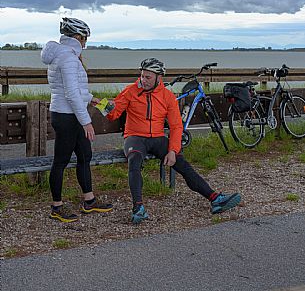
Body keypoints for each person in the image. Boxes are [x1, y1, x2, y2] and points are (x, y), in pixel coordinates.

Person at [107, 57, 241, 224]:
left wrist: (173, 150)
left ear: (158, 78)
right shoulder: (130, 91)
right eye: (142, 76)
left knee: (182, 163)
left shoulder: (167, 96)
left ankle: (215, 199)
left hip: (157, 138)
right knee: (134, 161)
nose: (143, 80)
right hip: (135, 137)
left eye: (148, 77)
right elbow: (113, 113)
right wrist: (102, 105)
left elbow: (177, 126)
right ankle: (138, 208)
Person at [41, 17, 113, 222]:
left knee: (84, 156)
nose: (85, 43)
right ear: (78, 37)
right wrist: (86, 121)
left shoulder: (65, 55)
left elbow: (75, 90)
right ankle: (56, 207)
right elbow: (71, 94)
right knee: (61, 161)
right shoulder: (69, 58)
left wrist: (93, 99)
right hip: (67, 116)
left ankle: (89, 201)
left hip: (70, 113)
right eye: (85, 39)